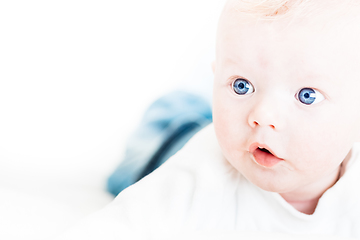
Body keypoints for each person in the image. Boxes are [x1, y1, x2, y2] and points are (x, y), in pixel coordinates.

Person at [57, 0, 360, 239]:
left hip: (227, 131)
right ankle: (177, 113)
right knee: (143, 158)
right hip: (175, 142)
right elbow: (117, 227)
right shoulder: (200, 173)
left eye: (307, 95)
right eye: (241, 84)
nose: (263, 115)